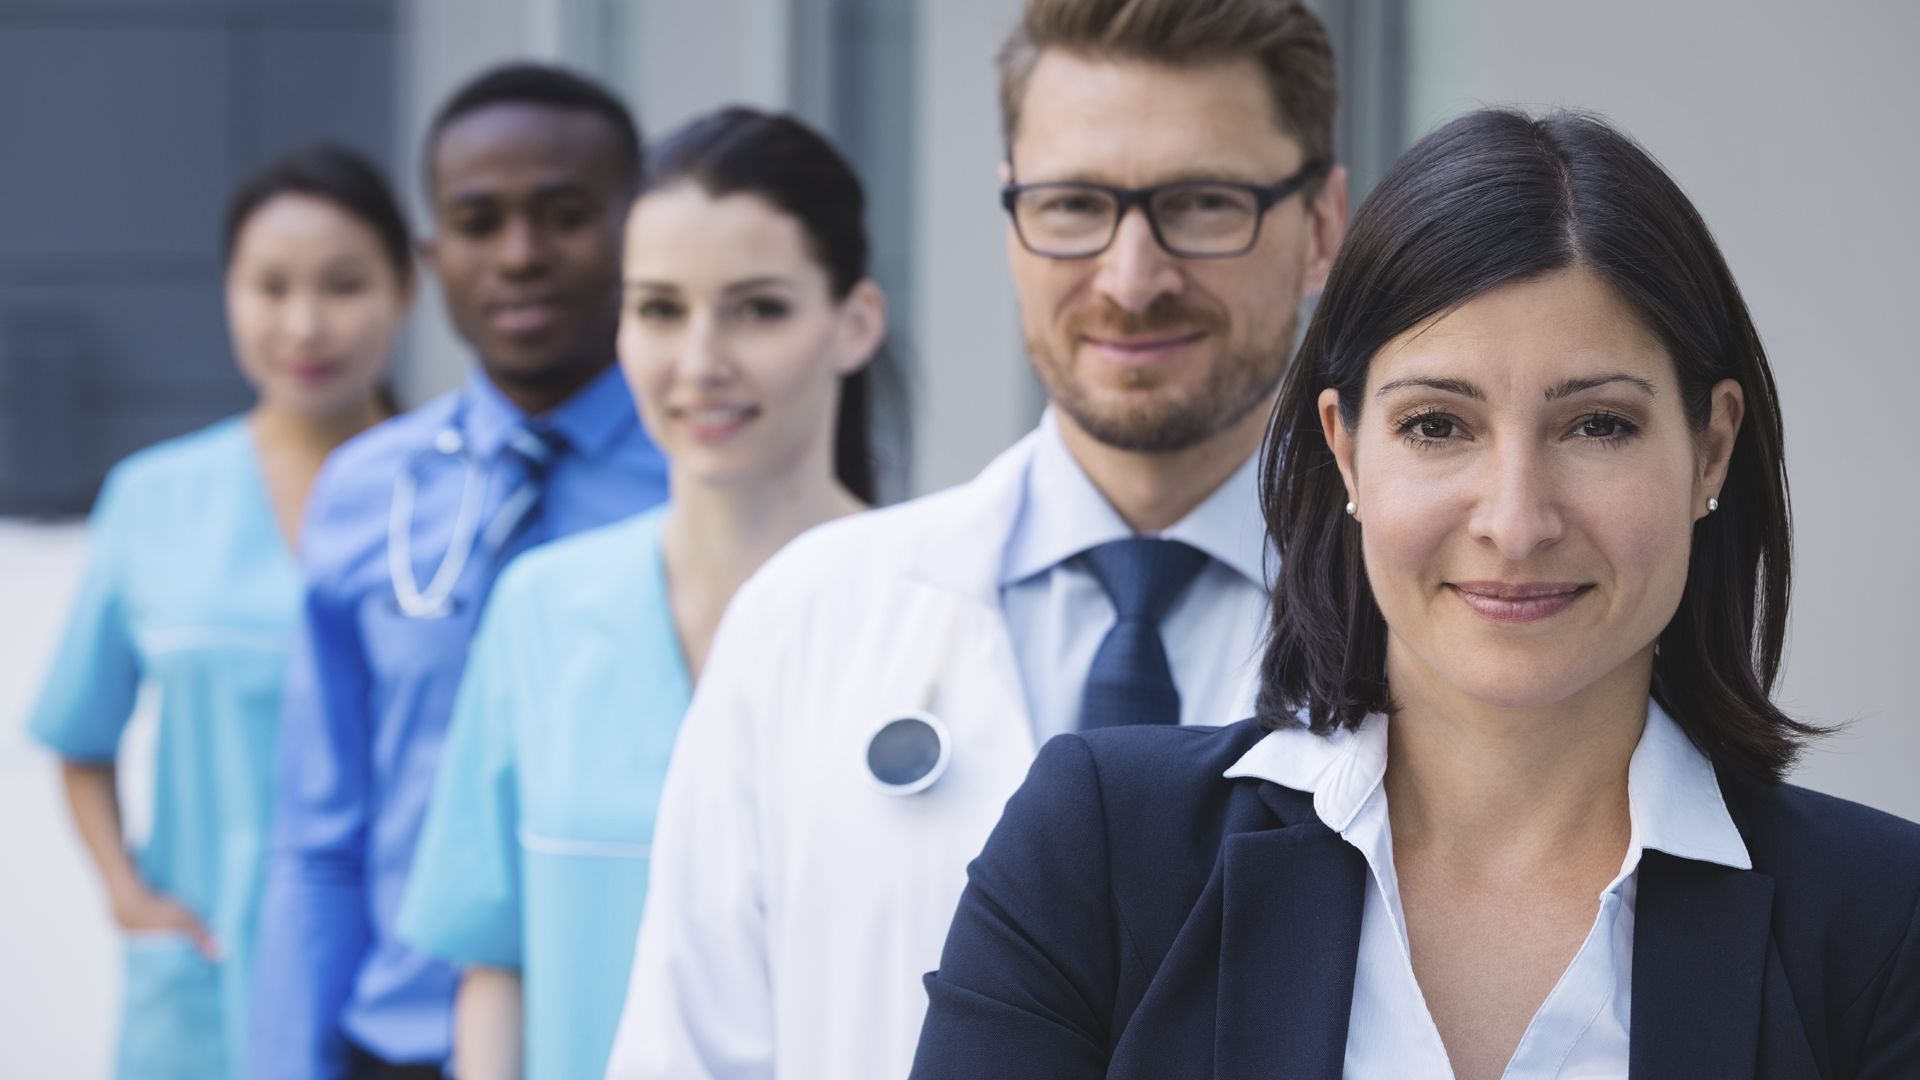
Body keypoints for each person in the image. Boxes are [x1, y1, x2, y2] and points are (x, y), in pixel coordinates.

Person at [911, 107, 1920, 1079]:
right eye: (1438, 425)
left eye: (1597, 426)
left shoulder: (1883, 924)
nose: (1516, 523)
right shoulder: (1097, 852)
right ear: (1346, 450)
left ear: (1711, 447)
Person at [603, 2, 1349, 1077]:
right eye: (1075, 205)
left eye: (1203, 204)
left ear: (1321, 225)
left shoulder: (1411, 637)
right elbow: (688, 1055)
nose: (1132, 279)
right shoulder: (806, 616)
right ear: (1011, 215)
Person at [396, 108, 888, 1080]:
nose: (700, 360)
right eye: (661, 309)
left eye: (757, 309)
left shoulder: (932, 613)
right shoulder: (541, 608)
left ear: (854, 323)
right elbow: (496, 960)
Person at [248, 65, 670, 1080]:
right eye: (479, 221)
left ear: (637, 228)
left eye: (564, 215)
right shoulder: (365, 492)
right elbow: (320, 830)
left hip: (626, 1041)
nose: (520, 255)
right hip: (399, 1043)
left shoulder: (708, 487)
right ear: (432, 254)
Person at [29, 143, 410, 1080]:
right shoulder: (154, 497)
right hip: (206, 970)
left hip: (397, 968)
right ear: (228, 294)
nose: (305, 323)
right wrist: (129, 896)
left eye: (344, 285)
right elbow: (80, 734)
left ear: (408, 288)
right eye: (270, 287)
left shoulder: (452, 492)